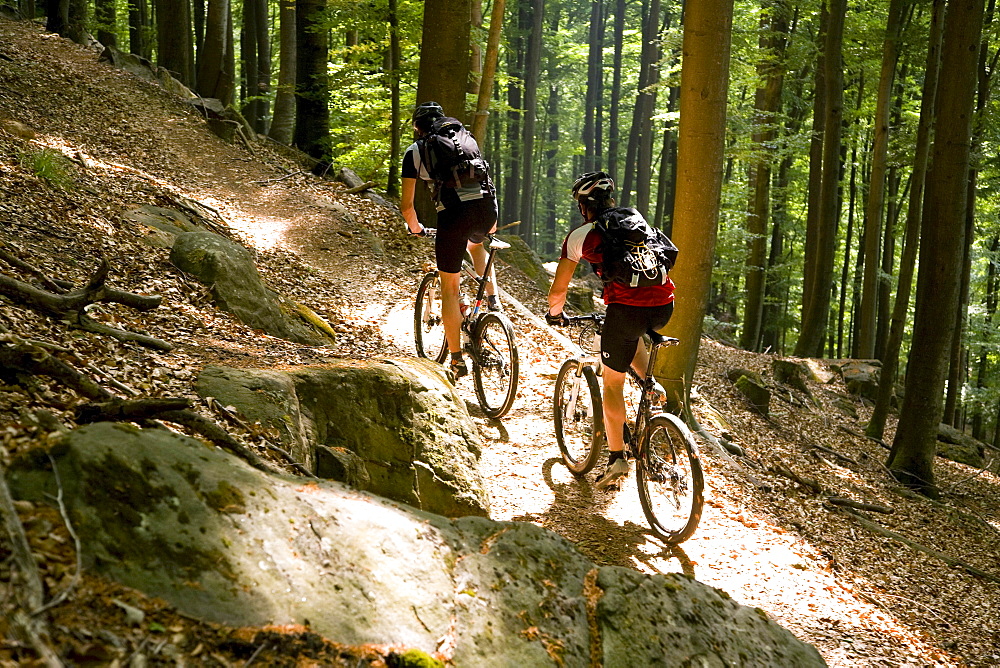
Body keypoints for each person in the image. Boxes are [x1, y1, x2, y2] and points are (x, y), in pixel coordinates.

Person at [545, 171, 675, 490]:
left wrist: (554, 314)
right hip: (664, 304)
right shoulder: (635, 221)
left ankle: (616, 458)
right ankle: (652, 388)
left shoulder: (581, 237)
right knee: (632, 340)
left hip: (625, 311)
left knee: (612, 385)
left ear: (583, 206)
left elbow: (558, 290)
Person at [400, 101, 500, 378]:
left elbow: (407, 206)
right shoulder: (467, 140)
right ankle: (493, 301)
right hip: (486, 211)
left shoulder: (416, 150)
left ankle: (456, 358)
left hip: (454, 216)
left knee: (450, 289)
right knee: (476, 244)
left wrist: (416, 227)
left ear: (417, 127)